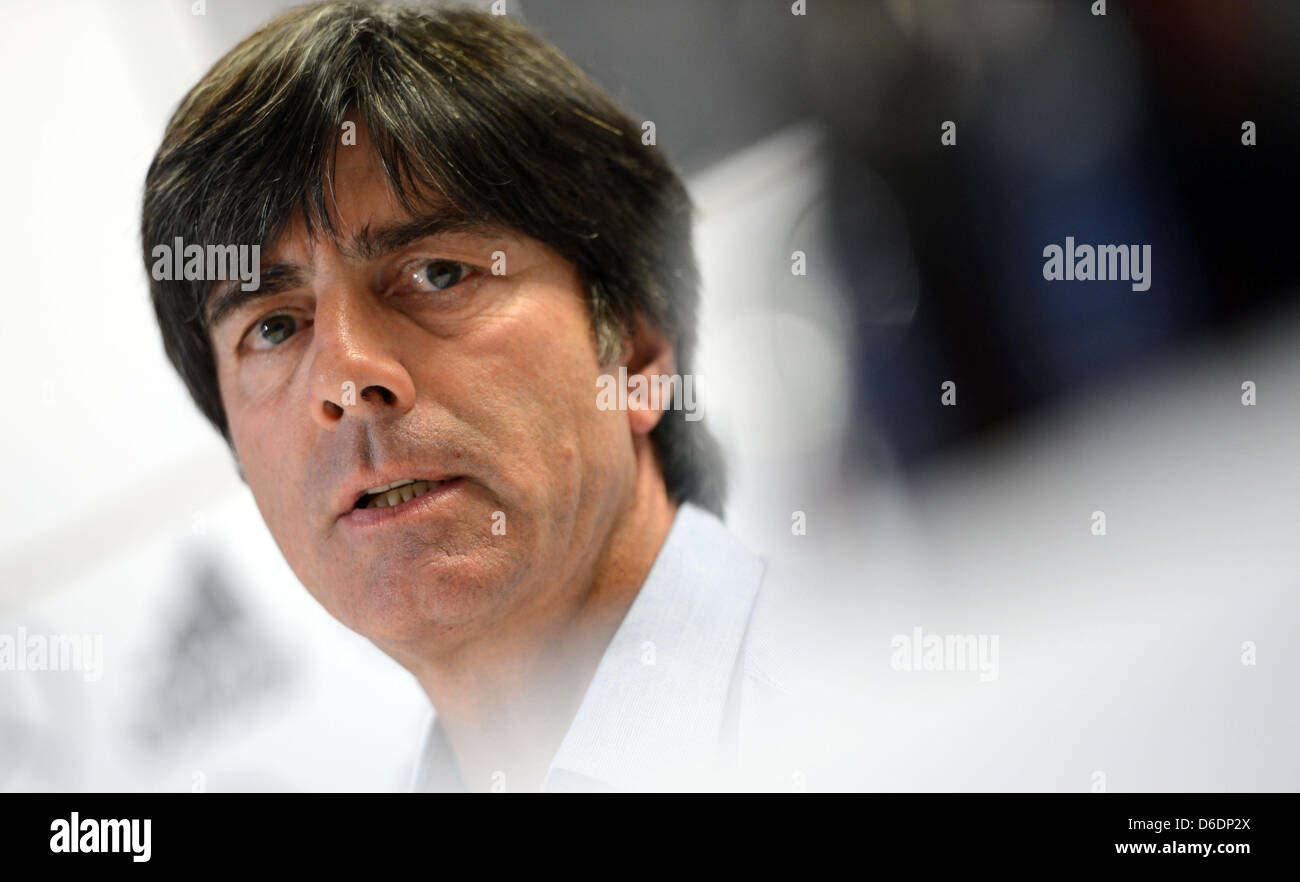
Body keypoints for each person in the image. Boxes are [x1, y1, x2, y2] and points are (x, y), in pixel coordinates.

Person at [141, 1, 807, 792]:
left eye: (439, 274)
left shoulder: (883, 705)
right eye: (277, 327)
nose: (346, 378)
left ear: (634, 345)